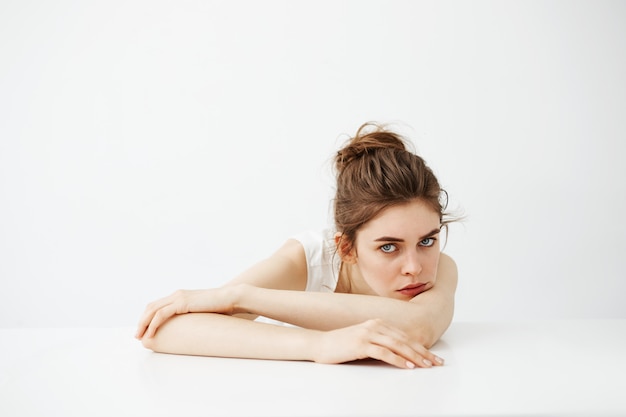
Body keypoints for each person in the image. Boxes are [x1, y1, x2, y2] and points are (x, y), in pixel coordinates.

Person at [135, 122, 458, 369]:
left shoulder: (440, 266)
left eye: (427, 240)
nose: (414, 266)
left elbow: (418, 327)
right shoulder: (305, 260)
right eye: (389, 247)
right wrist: (319, 345)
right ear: (346, 247)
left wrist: (240, 297)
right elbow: (165, 332)